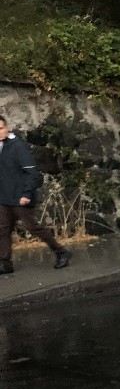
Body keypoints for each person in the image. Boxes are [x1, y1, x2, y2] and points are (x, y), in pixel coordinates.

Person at [0, 115, 70, 273]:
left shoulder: (18, 146)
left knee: (33, 227)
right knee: (3, 230)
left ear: (7, 128)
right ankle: (5, 262)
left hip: (20, 197)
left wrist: (26, 193)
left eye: (0, 128)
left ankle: (61, 252)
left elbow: (32, 172)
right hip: (4, 197)